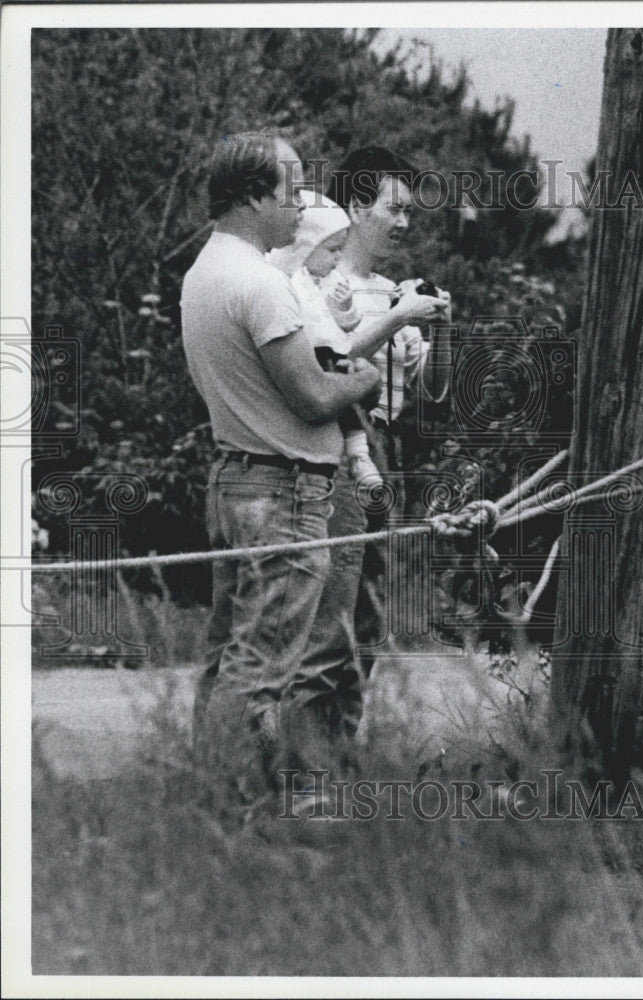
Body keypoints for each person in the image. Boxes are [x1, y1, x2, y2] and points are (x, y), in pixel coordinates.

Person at [180, 131, 380, 791]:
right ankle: (233, 812)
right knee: (261, 666)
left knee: (228, 655)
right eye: (291, 191)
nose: (301, 207)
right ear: (255, 194)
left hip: (235, 478)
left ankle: (212, 799)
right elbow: (315, 393)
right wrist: (366, 378)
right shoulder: (258, 283)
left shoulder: (204, 271)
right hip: (283, 493)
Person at [298, 146, 452, 736]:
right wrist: (394, 320)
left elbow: (431, 391)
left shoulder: (393, 290)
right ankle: (306, 763)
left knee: (370, 608)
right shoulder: (320, 279)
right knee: (332, 603)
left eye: (409, 211)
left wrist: (436, 329)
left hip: (384, 447)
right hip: (337, 451)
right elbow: (327, 359)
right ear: (358, 205)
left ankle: (338, 750)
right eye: (394, 207)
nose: (404, 222)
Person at [269, 191, 381, 487]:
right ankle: (356, 454)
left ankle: (359, 454)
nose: (337, 258)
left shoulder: (332, 282)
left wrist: (343, 309)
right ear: (306, 246)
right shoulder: (288, 283)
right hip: (307, 358)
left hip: (333, 355)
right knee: (333, 395)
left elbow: (349, 324)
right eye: (332, 249)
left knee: (348, 396)